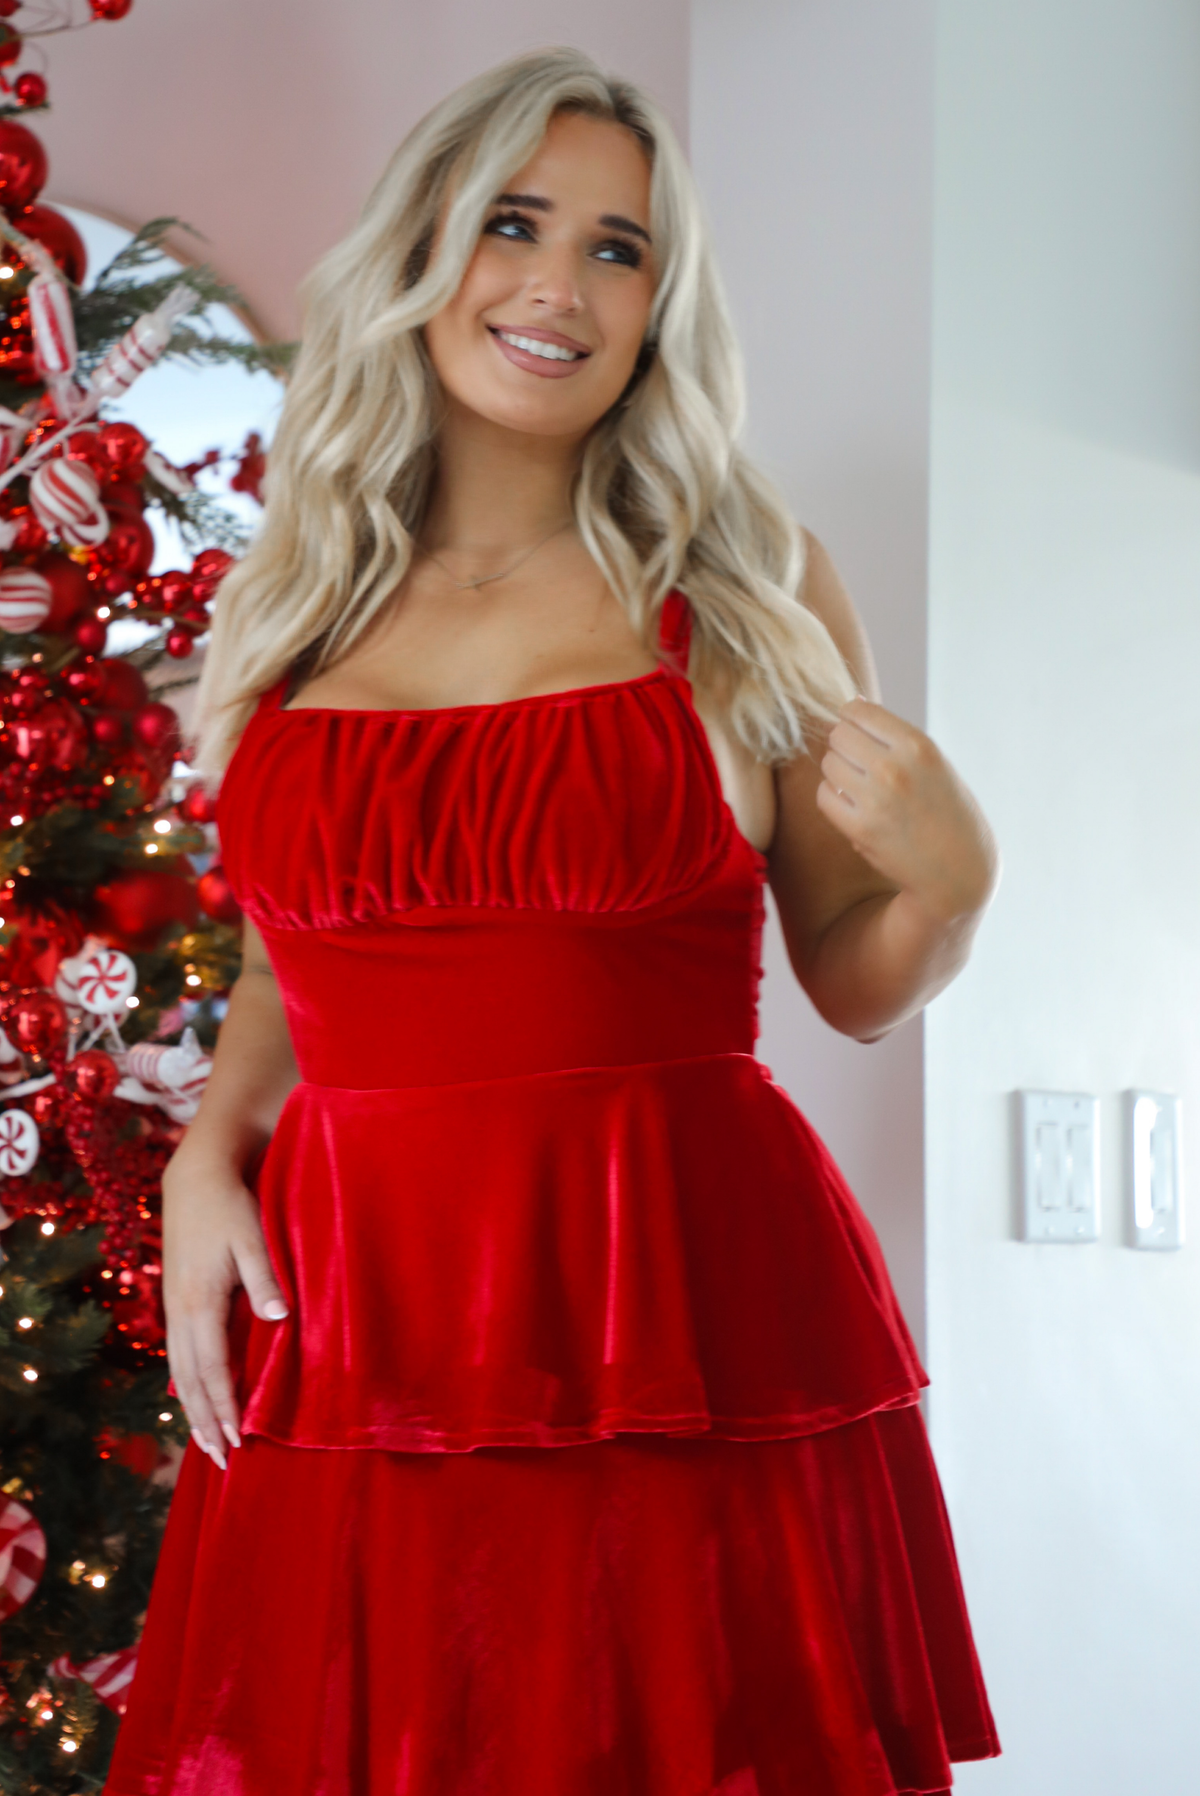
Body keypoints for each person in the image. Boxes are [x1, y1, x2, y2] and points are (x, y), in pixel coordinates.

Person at [105, 47, 1001, 1796]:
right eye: (517, 223)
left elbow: (856, 982)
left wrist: (954, 884)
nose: (559, 284)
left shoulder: (743, 585)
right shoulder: (294, 605)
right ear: (424, 247)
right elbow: (301, 950)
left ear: (664, 309)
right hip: (356, 1315)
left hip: (672, 1304)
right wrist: (209, 1148)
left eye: (621, 248)